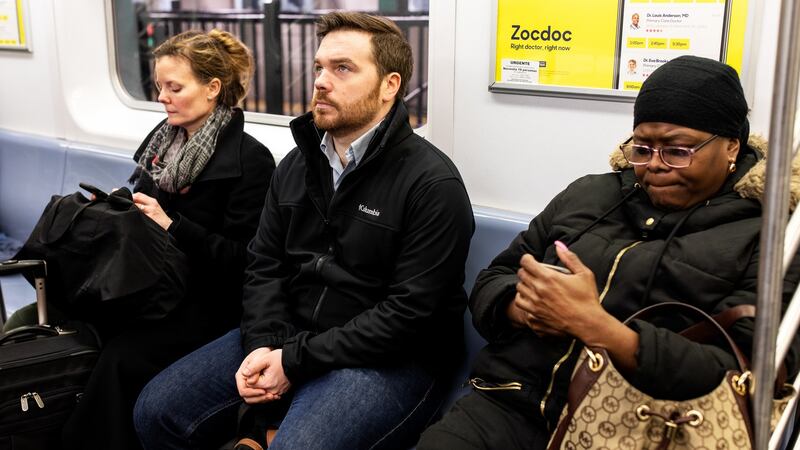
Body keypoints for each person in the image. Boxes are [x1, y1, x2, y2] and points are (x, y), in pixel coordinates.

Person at [417, 55, 800, 449]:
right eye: (643, 147)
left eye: (678, 150)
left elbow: (743, 368)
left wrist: (599, 328)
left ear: (731, 146)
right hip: (509, 402)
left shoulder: (771, 235)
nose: (655, 165)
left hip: (639, 426)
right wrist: (524, 307)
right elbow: (494, 279)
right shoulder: (590, 194)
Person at [134, 11, 474, 450]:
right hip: (291, 334)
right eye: (319, 67)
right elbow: (264, 265)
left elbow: (409, 315)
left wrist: (292, 362)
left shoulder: (431, 183)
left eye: (343, 68)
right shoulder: (297, 165)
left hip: (392, 358)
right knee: (156, 411)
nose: (320, 81)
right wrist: (263, 346)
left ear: (390, 85)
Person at [59, 29, 276, 450]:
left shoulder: (251, 161)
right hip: (155, 285)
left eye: (175, 87)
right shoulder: (164, 145)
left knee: (122, 358)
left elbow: (245, 261)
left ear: (213, 89)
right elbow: (144, 212)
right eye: (160, 86)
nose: (162, 96)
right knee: (77, 318)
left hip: (211, 302)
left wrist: (172, 225)